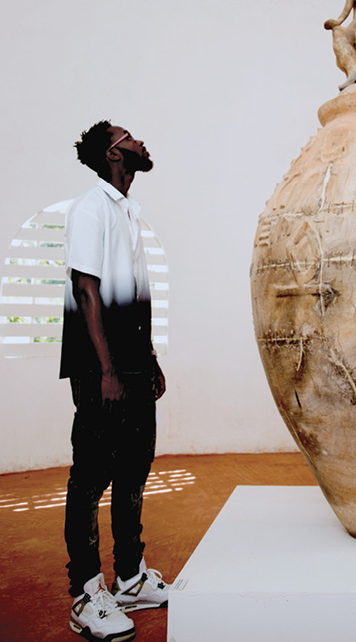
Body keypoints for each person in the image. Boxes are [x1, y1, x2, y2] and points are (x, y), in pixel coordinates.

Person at [60, 120, 168, 642]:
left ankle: (129, 578)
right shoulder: (90, 210)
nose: (142, 142)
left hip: (131, 366)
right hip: (99, 369)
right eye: (132, 138)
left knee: (134, 468)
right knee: (91, 478)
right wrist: (105, 372)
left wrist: (148, 361)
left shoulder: (126, 212)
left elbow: (134, 302)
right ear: (114, 153)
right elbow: (86, 291)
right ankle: (85, 593)